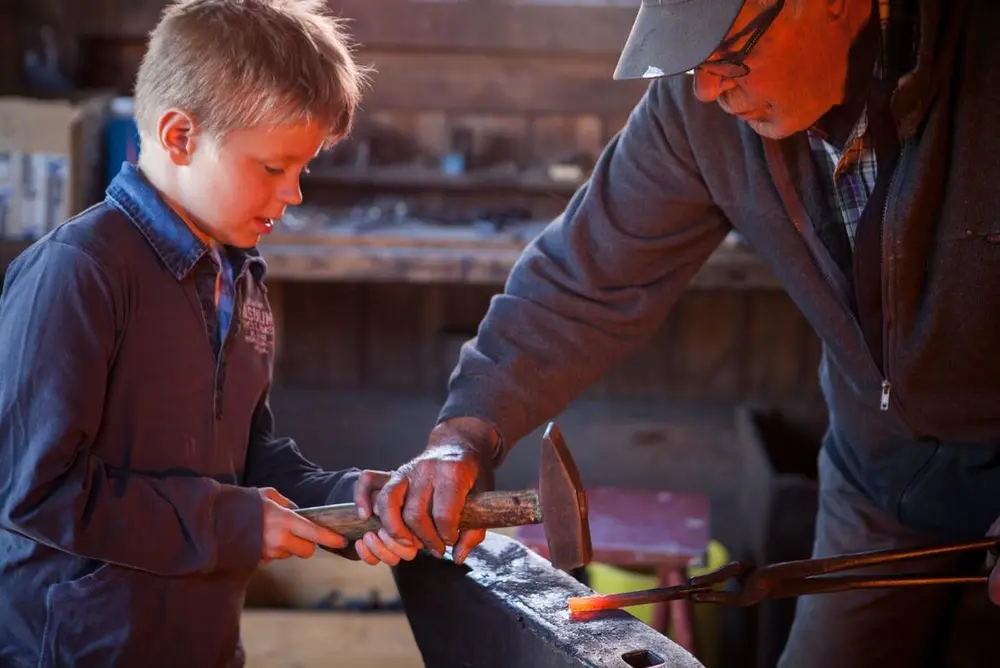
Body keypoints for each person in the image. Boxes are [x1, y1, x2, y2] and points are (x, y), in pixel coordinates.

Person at [357, 0, 1000, 665]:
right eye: (693, 60)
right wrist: (464, 435)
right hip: (876, 478)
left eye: (729, 53)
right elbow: (584, 277)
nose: (706, 87)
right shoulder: (699, 114)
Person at [0, 1, 419, 666]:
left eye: (302, 168)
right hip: (75, 652)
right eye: (273, 167)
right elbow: (32, 492)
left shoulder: (239, 277)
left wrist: (351, 503)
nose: (295, 194)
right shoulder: (78, 273)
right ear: (179, 137)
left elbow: (249, 465)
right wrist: (228, 522)